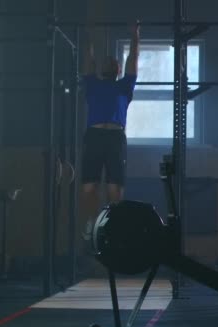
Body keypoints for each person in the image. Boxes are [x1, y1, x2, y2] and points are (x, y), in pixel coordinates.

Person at [81, 21, 140, 241]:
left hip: (115, 138)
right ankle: (91, 224)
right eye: (106, 61)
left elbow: (133, 60)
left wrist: (135, 37)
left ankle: (114, 227)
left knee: (115, 189)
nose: (110, 62)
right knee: (89, 187)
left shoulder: (124, 86)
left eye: (114, 62)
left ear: (118, 70)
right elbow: (88, 59)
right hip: (95, 136)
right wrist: (87, 38)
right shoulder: (92, 83)